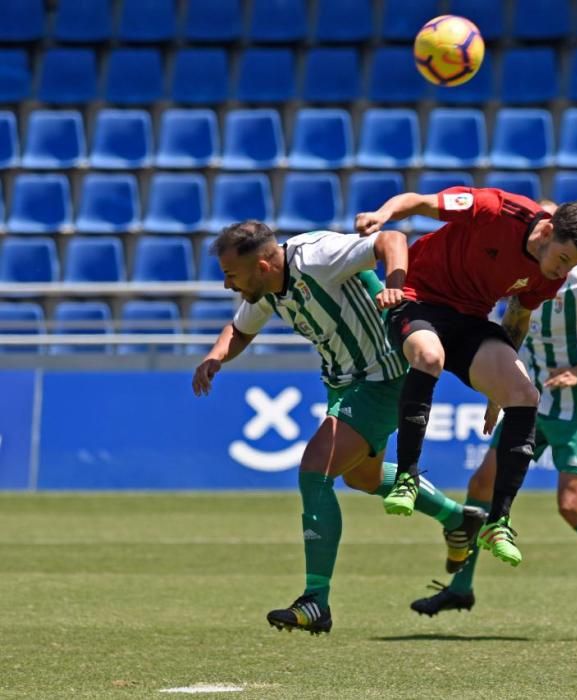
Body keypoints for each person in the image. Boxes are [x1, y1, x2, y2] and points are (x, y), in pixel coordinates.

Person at [192, 220, 486, 635]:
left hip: (384, 377)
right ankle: (458, 519)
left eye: (230, 275)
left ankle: (316, 601)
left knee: (315, 470)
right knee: (363, 478)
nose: (227, 285)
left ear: (261, 265)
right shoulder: (267, 287)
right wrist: (216, 357)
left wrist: (396, 287)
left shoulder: (316, 256)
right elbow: (239, 330)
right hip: (344, 383)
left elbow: (392, 239)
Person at [410, 200, 577, 637]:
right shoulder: (522, 272)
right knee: (481, 484)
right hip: (531, 401)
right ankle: (462, 587)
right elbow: (511, 332)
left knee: (571, 506)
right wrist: (497, 391)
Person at [355, 188, 577, 567]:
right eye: (563, 258)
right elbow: (419, 202)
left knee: (524, 394)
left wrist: (495, 393)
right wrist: (382, 213)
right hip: (419, 297)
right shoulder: (496, 209)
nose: (562, 272)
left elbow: (517, 317)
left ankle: (498, 522)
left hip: (471, 320)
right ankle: (406, 478)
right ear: (549, 230)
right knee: (429, 355)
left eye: (572, 266)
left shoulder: (550, 276)